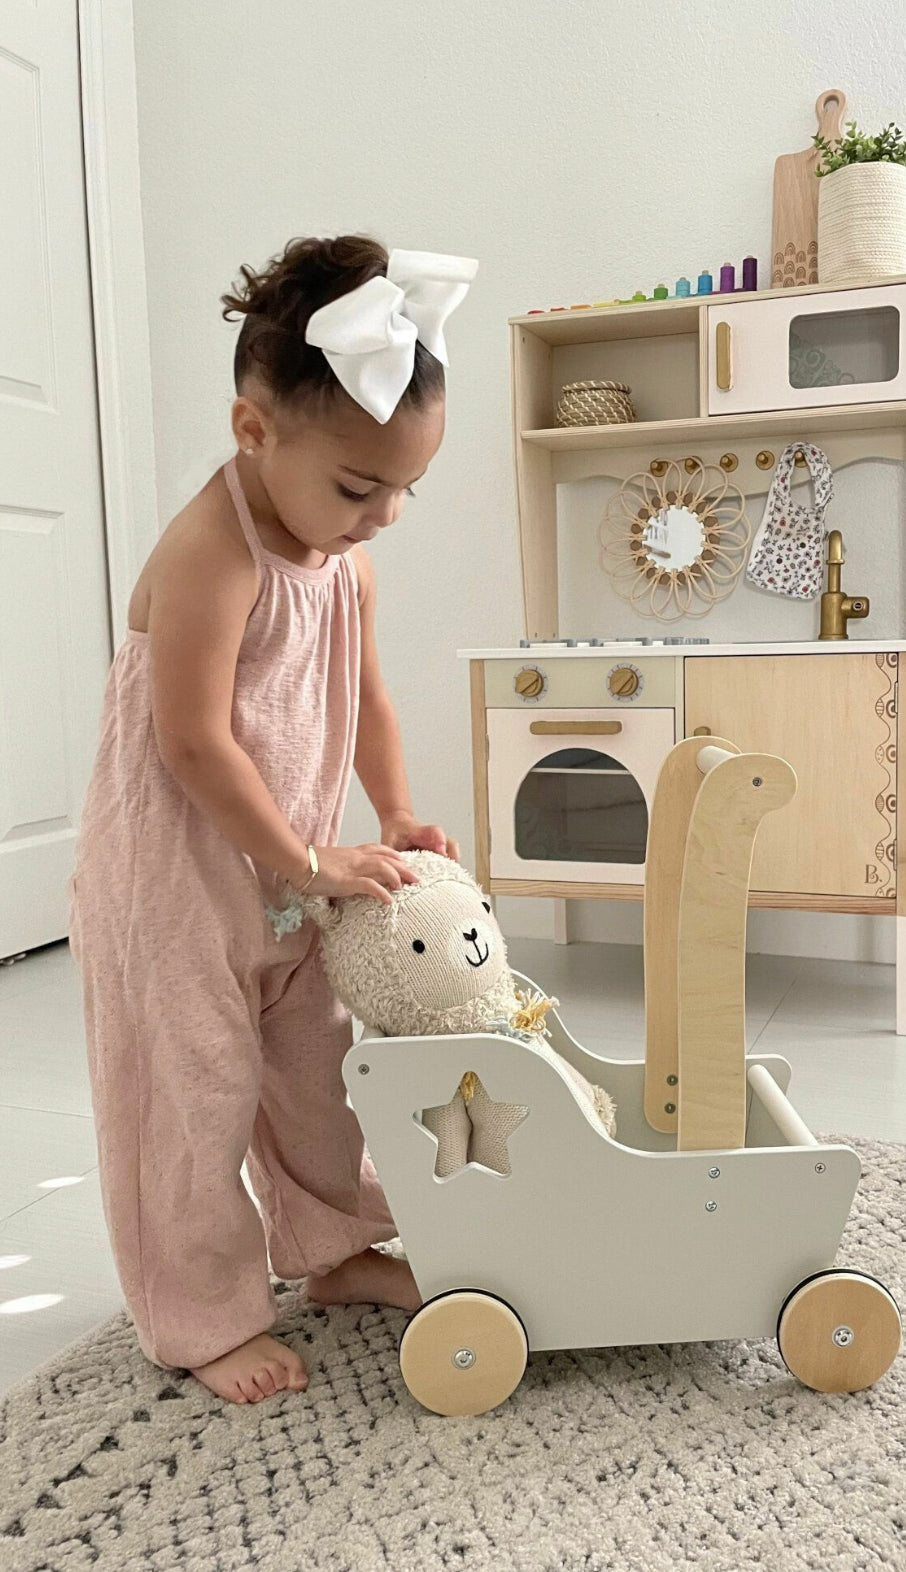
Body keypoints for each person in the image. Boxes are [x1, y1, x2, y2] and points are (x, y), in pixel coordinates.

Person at [69, 235, 477, 1404]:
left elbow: (365, 697)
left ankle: (332, 1247)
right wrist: (305, 855)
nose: (382, 515)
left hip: (293, 876)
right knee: (193, 1098)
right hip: (175, 884)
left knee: (315, 1075)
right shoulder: (211, 554)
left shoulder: (345, 564)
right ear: (254, 430)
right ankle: (200, 1318)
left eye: (404, 490)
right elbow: (192, 743)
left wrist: (395, 813)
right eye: (357, 488)